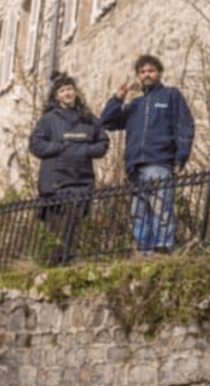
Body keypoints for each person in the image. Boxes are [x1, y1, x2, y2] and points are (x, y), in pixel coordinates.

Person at [100, 54, 195, 254]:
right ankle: (144, 251)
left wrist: (180, 158)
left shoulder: (171, 95)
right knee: (138, 214)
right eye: (142, 72)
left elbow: (184, 127)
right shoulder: (135, 104)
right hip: (135, 166)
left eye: (150, 71)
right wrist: (118, 98)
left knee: (161, 209)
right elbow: (107, 122)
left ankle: (163, 249)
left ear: (159, 73)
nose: (146, 75)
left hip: (159, 161)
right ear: (138, 76)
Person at [27, 74, 109, 263]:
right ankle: (55, 266)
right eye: (62, 90)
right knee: (55, 233)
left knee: (74, 230)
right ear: (56, 96)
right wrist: (60, 147)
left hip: (81, 182)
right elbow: (36, 145)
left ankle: (68, 264)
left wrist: (84, 150)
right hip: (54, 184)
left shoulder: (88, 120)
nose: (67, 93)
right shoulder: (48, 120)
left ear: (76, 92)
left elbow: (103, 143)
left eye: (70, 89)